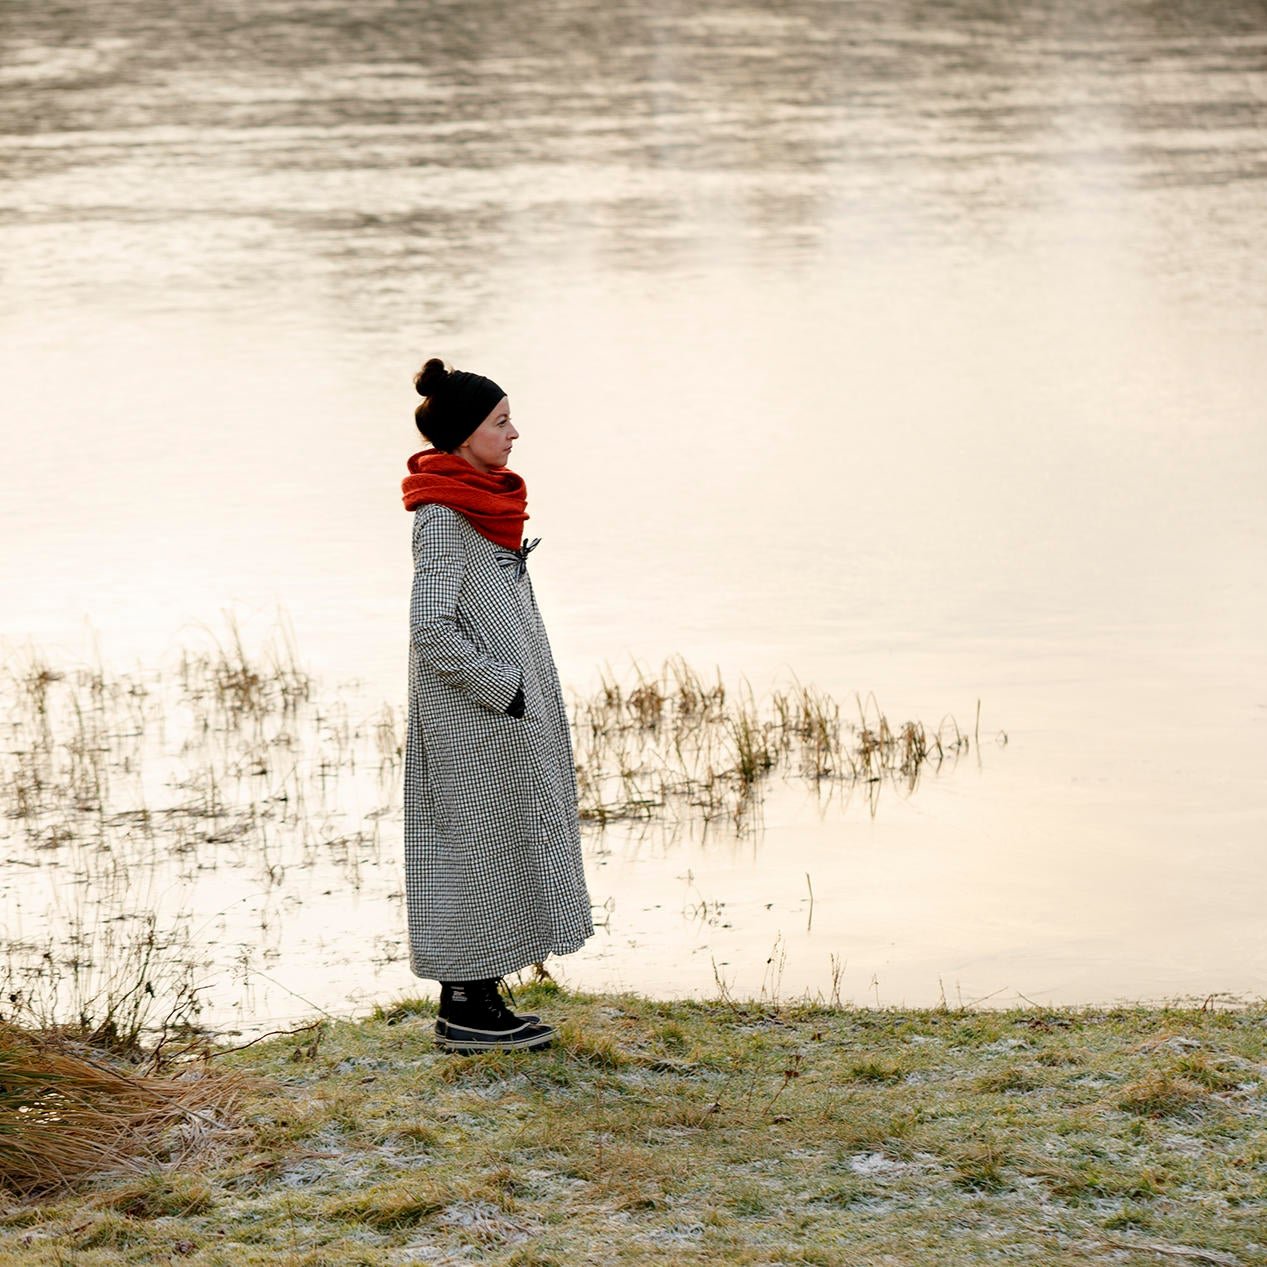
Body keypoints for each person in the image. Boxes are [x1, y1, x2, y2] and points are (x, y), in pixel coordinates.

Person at [400, 358, 593, 1053]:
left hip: (499, 712)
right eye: (500, 422)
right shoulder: (444, 515)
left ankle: (478, 997)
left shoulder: (482, 502)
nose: (514, 433)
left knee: (500, 840)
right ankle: (462, 1008)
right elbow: (429, 627)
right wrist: (500, 686)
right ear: (463, 435)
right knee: (473, 845)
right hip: (470, 717)